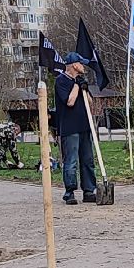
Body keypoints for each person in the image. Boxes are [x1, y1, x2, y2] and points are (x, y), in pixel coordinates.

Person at [54, 53, 97, 204]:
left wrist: (84, 87)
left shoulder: (80, 81)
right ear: (74, 65)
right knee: (71, 161)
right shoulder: (61, 81)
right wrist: (77, 86)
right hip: (70, 128)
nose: (83, 66)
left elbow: (90, 102)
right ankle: (70, 192)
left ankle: (89, 190)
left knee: (87, 160)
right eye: (81, 63)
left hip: (84, 126)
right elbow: (70, 101)